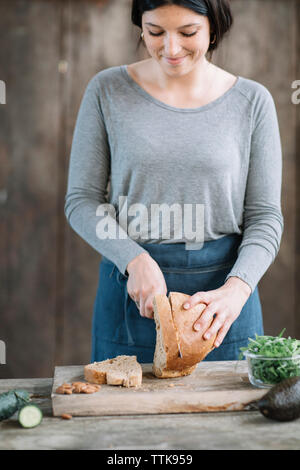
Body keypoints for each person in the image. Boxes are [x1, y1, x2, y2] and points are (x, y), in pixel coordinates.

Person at [64, 0, 284, 363]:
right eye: (155, 32)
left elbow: (265, 216)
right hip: (132, 292)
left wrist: (237, 289)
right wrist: (133, 259)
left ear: (214, 26)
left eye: (187, 32)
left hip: (224, 304)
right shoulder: (107, 90)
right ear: (140, 26)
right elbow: (82, 200)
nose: (170, 48)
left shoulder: (253, 102)